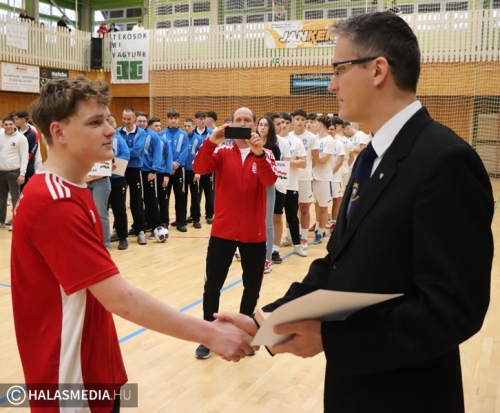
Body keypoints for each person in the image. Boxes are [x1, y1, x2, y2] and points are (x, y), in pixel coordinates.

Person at [216, 12, 494, 413]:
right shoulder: (371, 158)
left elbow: (453, 309)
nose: (331, 84)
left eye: (339, 70)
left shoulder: (445, 160)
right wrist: (267, 322)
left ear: (378, 70)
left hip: (406, 395)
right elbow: (339, 264)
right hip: (353, 390)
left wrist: (332, 339)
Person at [11, 76, 254, 412]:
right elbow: (120, 299)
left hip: (96, 365)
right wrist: (209, 333)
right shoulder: (54, 202)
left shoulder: (69, 189)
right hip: (71, 381)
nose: (110, 130)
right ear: (59, 132)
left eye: (108, 120)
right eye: (95, 122)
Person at [192, 107, 277, 360]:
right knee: (212, 286)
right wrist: (211, 141)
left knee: (252, 288)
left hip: (254, 233)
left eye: (247, 120)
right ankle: (208, 335)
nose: (242, 123)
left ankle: (244, 335)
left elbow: (270, 180)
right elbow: (199, 166)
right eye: (238, 120)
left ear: (254, 125)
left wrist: (258, 154)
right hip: (223, 230)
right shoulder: (221, 151)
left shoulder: (266, 153)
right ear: (230, 124)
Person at [117, 107, 148, 244]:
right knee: (118, 201)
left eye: (128, 119)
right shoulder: (117, 131)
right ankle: (118, 229)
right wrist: (124, 153)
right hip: (120, 169)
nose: (126, 121)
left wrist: (123, 152)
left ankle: (140, 231)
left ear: (134, 118)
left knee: (137, 201)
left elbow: (136, 152)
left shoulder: (141, 133)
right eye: (124, 118)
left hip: (135, 170)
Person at [0, 117, 28, 230]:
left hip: (14, 172)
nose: (8, 126)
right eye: (6, 124)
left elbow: (24, 157)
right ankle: (1, 221)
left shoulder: (21, 138)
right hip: (1, 172)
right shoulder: (0, 135)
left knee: (15, 198)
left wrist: (22, 174)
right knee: (1, 198)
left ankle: (16, 222)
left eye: (10, 124)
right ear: (3, 125)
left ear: (14, 125)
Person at [14, 110, 39, 190]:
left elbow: (32, 152)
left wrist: (23, 162)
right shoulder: (14, 131)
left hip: (28, 166)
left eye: (16, 119)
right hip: (15, 165)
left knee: (26, 189)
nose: (14, 121)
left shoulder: (33, 133)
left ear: (23, 119)